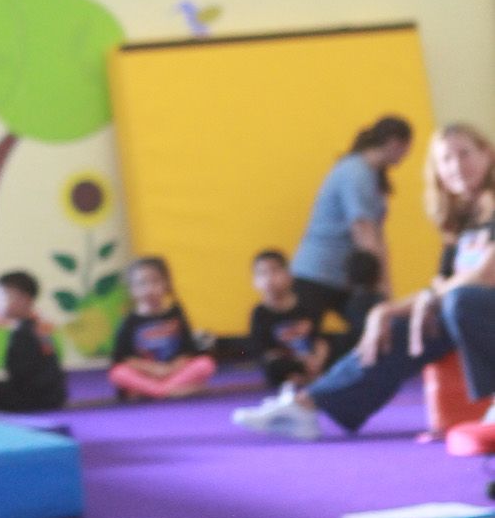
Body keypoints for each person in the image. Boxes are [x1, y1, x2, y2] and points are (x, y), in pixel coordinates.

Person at [234, 122, 495, 440]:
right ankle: (308, 404)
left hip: (480, 309)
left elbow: (483, 275)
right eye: (446, 159)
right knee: (398, 328)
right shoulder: (463, 225)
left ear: (487, 154)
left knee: (459, 301)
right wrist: (387, 311)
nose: (456, 166)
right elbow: (441, 285)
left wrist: (429, 298)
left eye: (464, 154)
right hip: (471, 313)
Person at [291, 116, 413, 324]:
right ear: (395, 143)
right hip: (316, 273)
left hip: (341, 277)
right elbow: (363, 230)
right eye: (407, 148)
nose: (407, 155)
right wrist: (380, 286)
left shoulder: (371, 176)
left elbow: (377, 235)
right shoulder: (356, 172)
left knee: (370, 329)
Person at [109, 256, 217, 401]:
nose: (149, 289)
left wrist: (169, 369)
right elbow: (123, 359)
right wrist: (154, 370)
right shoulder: (129, 321)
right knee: (118, 373)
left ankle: (155, 392)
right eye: (141, 283)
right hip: (146, 374)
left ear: (166, 283)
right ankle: (170, 391)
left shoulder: (176, 313)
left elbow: (188, 351)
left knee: (205, 364)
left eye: (155, 281)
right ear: (132, 289)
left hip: (174, 371)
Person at [0, 269, 67, 413]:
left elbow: (28, 387)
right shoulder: (39, 327)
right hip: (50, 398)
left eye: (3, 297)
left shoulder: (26, 335)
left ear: (24, 299)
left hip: (37, 404)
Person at [246, 248, 329, 398]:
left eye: (275, 271)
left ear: (289, 276)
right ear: (254, 281)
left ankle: (312, 375)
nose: (269, 278)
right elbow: (263, 351)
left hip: (311, 358)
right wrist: (299, 360)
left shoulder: (306, 306)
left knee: (337, 349)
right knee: (273, 366)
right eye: (262, 273)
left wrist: (318, 360)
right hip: (288, 361)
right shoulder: (259, 314)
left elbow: (319, 339)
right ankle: (299, 378)